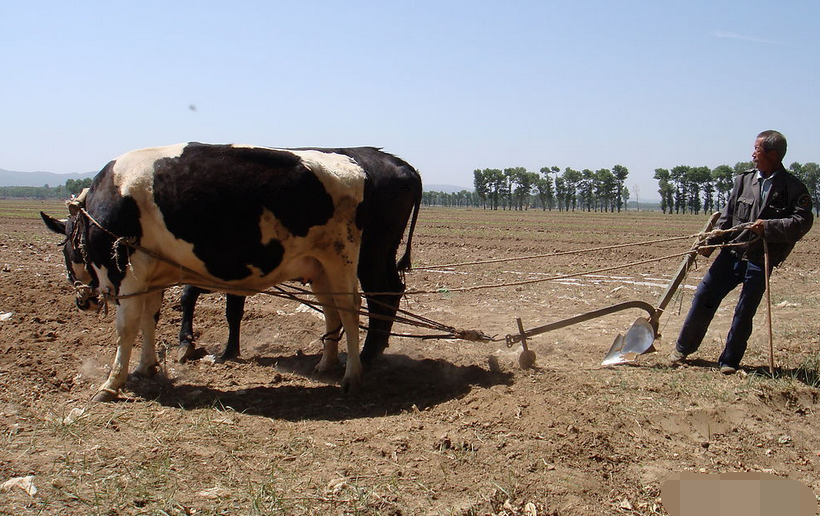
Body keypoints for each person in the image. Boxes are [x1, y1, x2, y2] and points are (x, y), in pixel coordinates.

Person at [669, 130, 814, 374]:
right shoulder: (744, 180)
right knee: (704, 296)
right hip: (732, 254)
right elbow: (727, 219)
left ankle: (729, 361)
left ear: (773, 154)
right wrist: (710, 242)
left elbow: (801, 223)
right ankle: (683, 348)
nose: (752, 154)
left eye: (757, 149)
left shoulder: (793, 188)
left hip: (760, 259)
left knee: (744, 310)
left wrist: (769, 227)